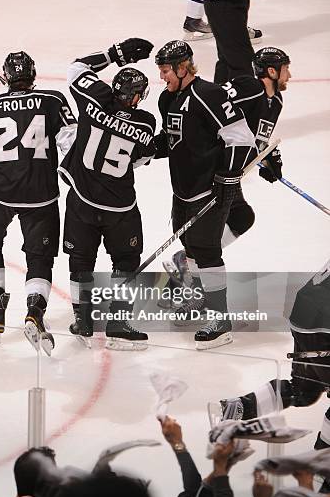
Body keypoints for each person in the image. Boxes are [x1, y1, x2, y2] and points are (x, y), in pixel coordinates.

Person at [162, 46, 291, 324]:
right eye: (285, 68)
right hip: (217, 172)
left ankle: (188, 268)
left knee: (240, 218)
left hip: (231, 172)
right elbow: (218, 112)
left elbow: (255, 136)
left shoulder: (276, 101)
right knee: (207, 241)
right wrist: (224, 166)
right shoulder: (248, 88)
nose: (289, 75)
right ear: (271, 71)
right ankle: (195, 285)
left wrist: (268, 158)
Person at [0, 51, 77, 356]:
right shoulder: (53, 100)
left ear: (7, 76)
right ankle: (35, 312)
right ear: (33, 74)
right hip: (42, 195)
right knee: (40, 256)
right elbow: (71, 143)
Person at [154, 39, 256, 349]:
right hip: (182, 191)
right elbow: (171, 140)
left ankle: (220, 321)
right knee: (192, 249)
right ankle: (200, 301)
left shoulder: (210, 95)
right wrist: (142, 149)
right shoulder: (166, 99)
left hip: (209, 191)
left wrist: (227, 177)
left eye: (166, 70)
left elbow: (241, 138)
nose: (162, 77)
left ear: (184, 67)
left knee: (207, 251)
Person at [58, 38, 156, 350]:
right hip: (119, 206)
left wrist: (116, 54)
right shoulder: (146, 122)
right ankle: (118, 323)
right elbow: (140, 160)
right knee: (126, 259)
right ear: (137, 97)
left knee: (81, 259)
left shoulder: (94, 96)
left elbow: (77, 68)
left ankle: (83, 320)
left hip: (82, 200)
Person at [219, 259, 330, 491]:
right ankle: (323, 467)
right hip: (324, 324)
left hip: (303, 312)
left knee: (303, 390)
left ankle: (239, 406)